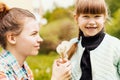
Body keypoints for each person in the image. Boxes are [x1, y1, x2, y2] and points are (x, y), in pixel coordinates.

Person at [0, 2, 71, 80]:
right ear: (12, 38)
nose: (40, 39)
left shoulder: (25, 69)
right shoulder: (2, 71)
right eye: (34, 34)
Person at [57, 0, 120, 80]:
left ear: (104, 18)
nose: (91, 22)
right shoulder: (71, 45)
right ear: (76, 18)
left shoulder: (115, 45)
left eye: (97, 16)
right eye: (86, 16)